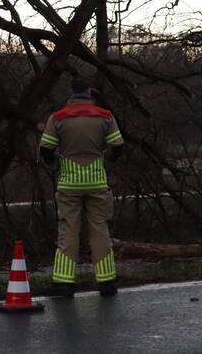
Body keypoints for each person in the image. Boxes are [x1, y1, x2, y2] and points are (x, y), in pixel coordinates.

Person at [39, 73, 124, 297]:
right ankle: (106, 282)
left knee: (68, 231)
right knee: (100, 230)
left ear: (71, 92)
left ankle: (64, 284)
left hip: (68, 184)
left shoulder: (57, 118)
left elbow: (45, 150)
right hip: (97, 182)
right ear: (89, 91)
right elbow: (118, 146)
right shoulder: (105, 116)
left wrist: (58, 166)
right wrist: (104, 162)